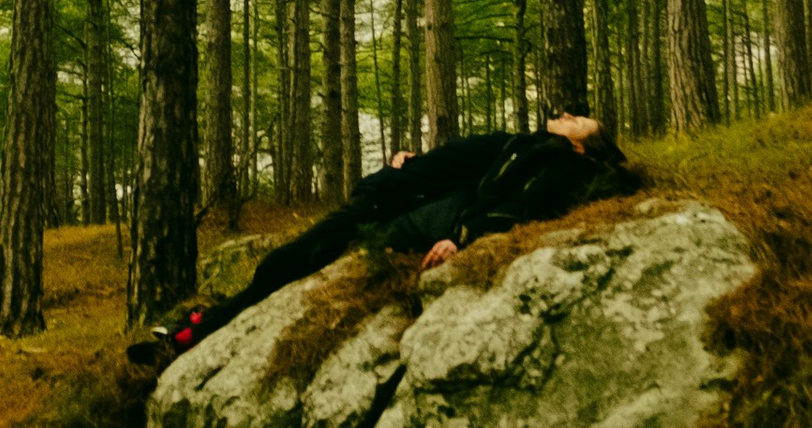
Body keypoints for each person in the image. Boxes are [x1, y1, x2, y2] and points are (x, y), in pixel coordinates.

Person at [126, 113, 639, 382]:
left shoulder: (556, 163)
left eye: (579, 121)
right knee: (286, 267)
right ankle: (192, 330)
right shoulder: (526, 147)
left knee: (283, 264)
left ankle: (189, 336)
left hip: (392, 210)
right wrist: (416, 164)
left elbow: (515, 205)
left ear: (580, 145)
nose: (567, 114)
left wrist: (462, 236)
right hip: (397, 196)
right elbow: (467, 171)